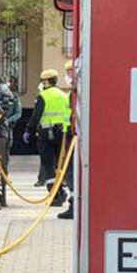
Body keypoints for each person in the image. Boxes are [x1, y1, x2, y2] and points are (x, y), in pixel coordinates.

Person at [24, 68, 70, 207]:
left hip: (46, 134)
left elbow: (36, 116)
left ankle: (55, 196)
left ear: (45, 81)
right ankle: (61, 192)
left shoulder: (43, 96)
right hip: (62, 133)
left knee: (48, 166)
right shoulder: (64, 95)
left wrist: (28, 130)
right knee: (59, 165)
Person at [0, 77, 22, 207]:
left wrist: (7, 121)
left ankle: (2, 187)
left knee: (4, 159)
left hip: (7, 131)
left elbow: (18, 113)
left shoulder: (14, 97)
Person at [59, 59, 77, 220]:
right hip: (70, 136)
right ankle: (74, 204)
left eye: (70, 72)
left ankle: (75, 206)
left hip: (76, 138)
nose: (68, 75)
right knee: (69, 171)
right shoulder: (71, 94)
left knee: (73, 171)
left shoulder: (78, 93)